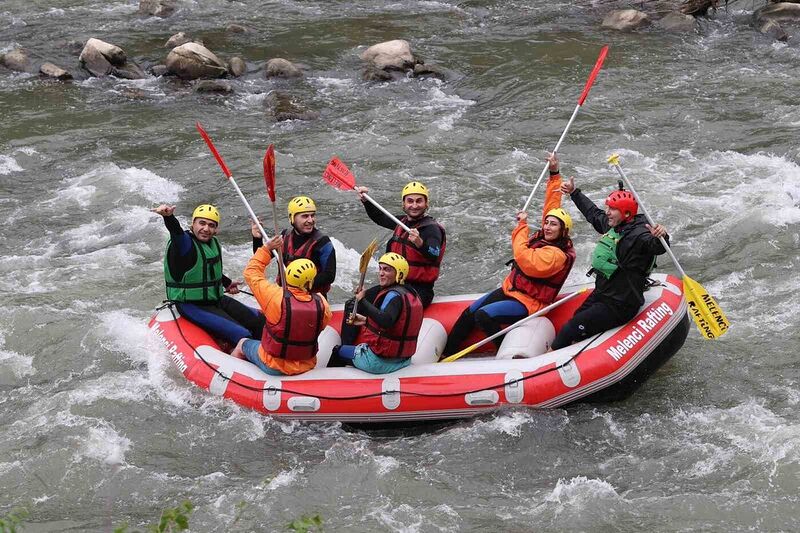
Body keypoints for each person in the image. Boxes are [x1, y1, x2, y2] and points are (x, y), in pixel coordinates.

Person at [443, 153, 575, 356]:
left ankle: (503, 351)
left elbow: (525, 258)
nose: (547, 227)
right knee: (469, 313)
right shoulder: (547, 236)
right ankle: (446, 354)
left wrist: (522, 225)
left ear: (563, 231)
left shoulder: (556, 255)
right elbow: (552, 204)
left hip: (529, 302)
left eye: (553, 224)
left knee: (484, 315)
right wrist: (554, 172)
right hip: (511, 290)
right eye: (546, 223)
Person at [550, 177, 669, 350]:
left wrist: (662, 235)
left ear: (627, 214)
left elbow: (657, 246)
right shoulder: (616, 225)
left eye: (612, 209)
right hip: (602, 294)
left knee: (570, 329)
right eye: (608, 207)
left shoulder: (640, 236)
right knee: (576, 320)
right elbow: (593, 214)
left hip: (621, 304)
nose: (607, 212)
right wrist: (574, 193)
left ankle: (543, 361)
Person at [154, 203, 265, 346]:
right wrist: (169, 217)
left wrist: (226, 283)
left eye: (211, 225)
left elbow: (208, 269)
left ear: (216, 230)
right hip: (192, 305)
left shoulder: (212, 243)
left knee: (261, 323)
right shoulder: (184, 244)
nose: (206, 229)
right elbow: (176, 232)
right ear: (192, 224)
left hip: (216, 299)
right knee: (242, 334)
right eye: (202, 223)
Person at [232, 238, 332, 376]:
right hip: (306, 366)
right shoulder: (322, 304)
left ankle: (235, 378)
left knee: (243, 343)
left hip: (273, 365)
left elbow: (251, 273)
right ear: (310, 282)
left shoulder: (274, 297)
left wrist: (266, 249)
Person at [328, 253, 423, 374]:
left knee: (338, 351)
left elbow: (386, 321)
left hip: (379, 362)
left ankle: (327, 385)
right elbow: (393, 325)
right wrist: (366, 321)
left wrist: (362, 300)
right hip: (404, 359)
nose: (381, 273)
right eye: (380, 268)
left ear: (399, 273)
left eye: (387, 270)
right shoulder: (412, 294)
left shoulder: (393, 296)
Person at [355, 181, 445, 307]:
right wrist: (366, 201)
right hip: (395, 285)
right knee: (354, 303)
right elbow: (380, 217)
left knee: (388, 307)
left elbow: (434, 254)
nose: (414, 205)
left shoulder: (431, 229)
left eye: (419, 201)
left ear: (426, 204)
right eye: (410, 201)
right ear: (404, 204)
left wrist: (420, 243)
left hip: (419, 290)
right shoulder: (402, 222)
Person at [251, 196, 336, 297]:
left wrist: (300, 284)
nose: (310, 220)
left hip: (312, 299)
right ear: (292, 218)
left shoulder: (322, 242)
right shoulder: (284, 236)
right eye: (305, 216)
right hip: (285, 296)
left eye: (312, 215)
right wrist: (257, 238)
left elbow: (329, 275)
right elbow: (261, 257)